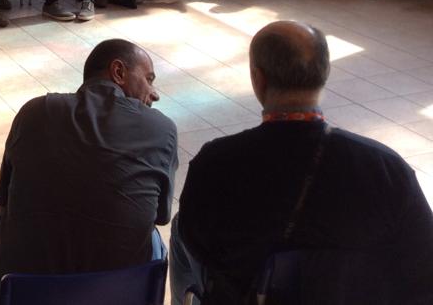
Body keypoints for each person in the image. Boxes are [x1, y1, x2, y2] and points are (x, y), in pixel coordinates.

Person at [170, 21, 433, 304]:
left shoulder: (216, 163)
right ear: (325, 72)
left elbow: (198, 243)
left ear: (258, 79)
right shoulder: (385, 169)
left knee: (178, 227)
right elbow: (423, 265)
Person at [0, 39, 177, 305]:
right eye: (148, 79)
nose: (154, 94)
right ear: (118, 71)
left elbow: (4, 198)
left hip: (28, 292)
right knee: (153, 238)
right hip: (120, 292)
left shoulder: (34, 112)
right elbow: (160, 216)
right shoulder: (161, 129)